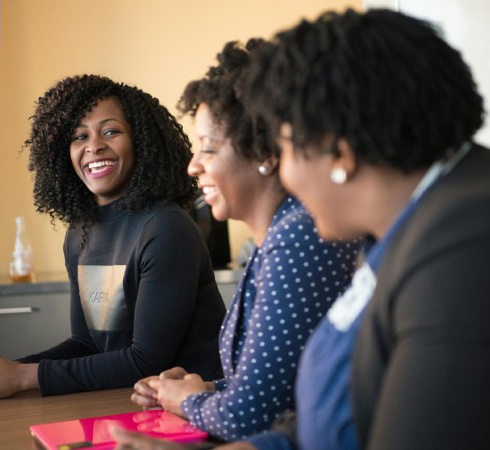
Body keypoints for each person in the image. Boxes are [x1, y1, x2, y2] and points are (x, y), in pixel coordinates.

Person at [114, 8, 490, 450]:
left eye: (287, 149)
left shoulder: (484, 242)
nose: (285, 175)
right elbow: (345, 413)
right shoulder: (419, 221)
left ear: (339, 151)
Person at [129, 39, 359, 442]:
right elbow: (278, 387)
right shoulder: (275, 237)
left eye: (208, 149)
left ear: (264, 152)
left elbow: (249, 418)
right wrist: (198, 390)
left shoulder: (298, 238)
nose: (193, 165)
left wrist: (187, 401)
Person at [0, 74, 226, 400]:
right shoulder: (80, 232)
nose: (94, 146)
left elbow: (145, 360)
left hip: (192, 413)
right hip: (121, 401)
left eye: (111, 131)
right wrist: (9, 369)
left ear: (141, 142)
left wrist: (22, 377)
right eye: (79, 136)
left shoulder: (165, 227)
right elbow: (87, 344)